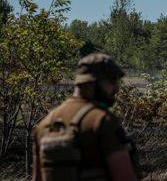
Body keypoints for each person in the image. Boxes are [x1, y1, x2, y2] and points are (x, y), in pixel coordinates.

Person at [32, 53, 138, 181]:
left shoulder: (44, 125)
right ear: (91, 83)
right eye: (111, 80)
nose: (116, 87)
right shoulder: (102, 120)